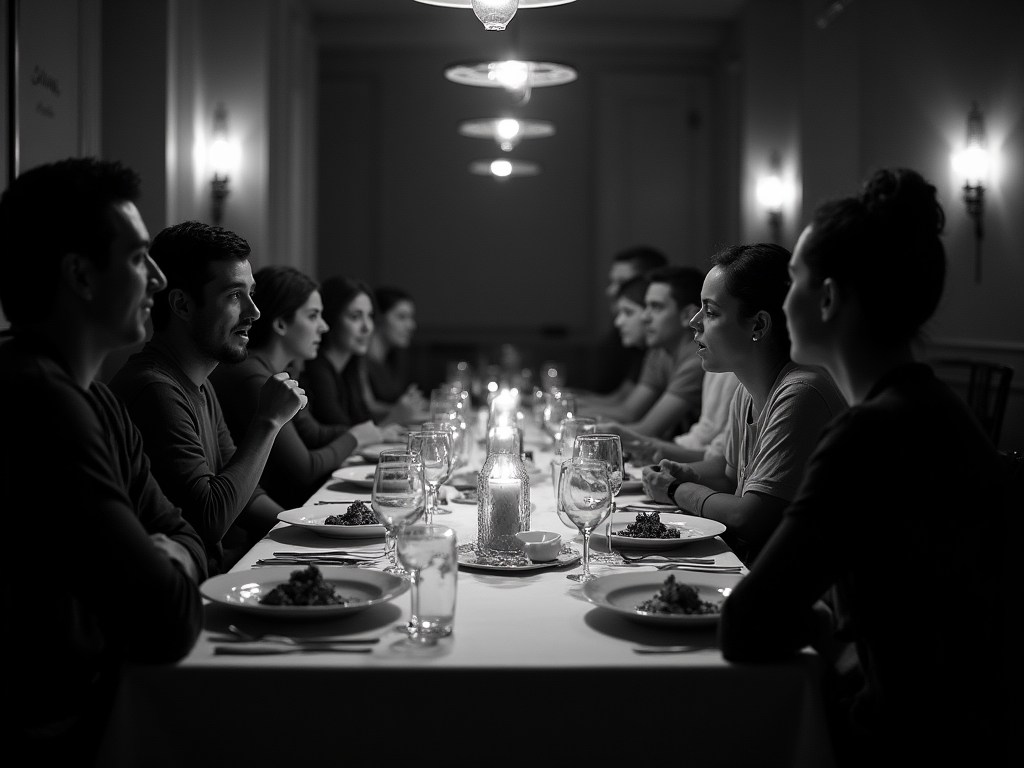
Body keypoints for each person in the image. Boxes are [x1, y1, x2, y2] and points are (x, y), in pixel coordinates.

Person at [718, 170, 1008, 766]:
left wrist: (822, 629)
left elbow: (747, 624)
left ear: (826, 299)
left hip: (901, 737)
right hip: (969, 722)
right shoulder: (932, 406)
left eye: (794, 280)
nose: (783, 299)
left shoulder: (868, 434)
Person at [0, 157, 204, 763]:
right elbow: (167, 621)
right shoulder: (39, 401)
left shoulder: (96, 399)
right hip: (55, 732)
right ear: (82, 276)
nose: (159, 280)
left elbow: (188, 536)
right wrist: (167, 564)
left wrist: (171, 556)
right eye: (139, 259)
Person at [110, 221, 304, 574]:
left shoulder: (199, 382)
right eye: (234, 295)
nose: (254, 312)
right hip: (193, 587)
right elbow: (210, 519)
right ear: (182, 304)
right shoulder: (155, 389)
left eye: (251, 293)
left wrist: (308, 529)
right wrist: (269, 421)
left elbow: (244, 493)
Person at [641, 245, 847, 563]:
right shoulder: (745, 391)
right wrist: (686, 474)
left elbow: (750, 518)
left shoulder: (801, 393)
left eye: (710, 312)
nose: (694, 322)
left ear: (758, 325)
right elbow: (729, 476)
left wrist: (675, 491)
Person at [210, 266, 385, 508]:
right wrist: (355, 437)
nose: (324, 327)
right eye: (313, 316)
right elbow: (306, 469)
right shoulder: (255, 377)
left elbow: (312, 433)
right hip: (262, 515)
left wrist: (368, 432)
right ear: (281, 324)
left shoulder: (282, 371)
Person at [581, 266, 707, 440]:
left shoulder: (698, 359)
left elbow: (645, 427)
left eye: (656, 307)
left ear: (687, 316)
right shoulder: (660, 352)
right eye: (646, 306)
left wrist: (576, 422)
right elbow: (628, 409)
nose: (645, 317)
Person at [301, 276, 406, 441]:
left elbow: (361, 419)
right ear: (331, 318)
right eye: (355, 317)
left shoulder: (351, 365)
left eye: (370, 316)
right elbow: (343, 432)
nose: (367, 327)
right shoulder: (317, 368)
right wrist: (393, 418)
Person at [587, 245, 668, 395]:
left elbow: (627, 407)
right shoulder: (620, 338)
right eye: (611, 282)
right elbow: (616, 398)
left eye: (623, 282)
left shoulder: (662, 350)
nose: (611, 291)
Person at [364, 285, 426, 418]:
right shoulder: (360, 359)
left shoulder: (394, 357)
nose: (411, 325)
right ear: (378, 318)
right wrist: (402, 408)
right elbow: (366, 408)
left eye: (411, 317)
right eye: (402, 317)